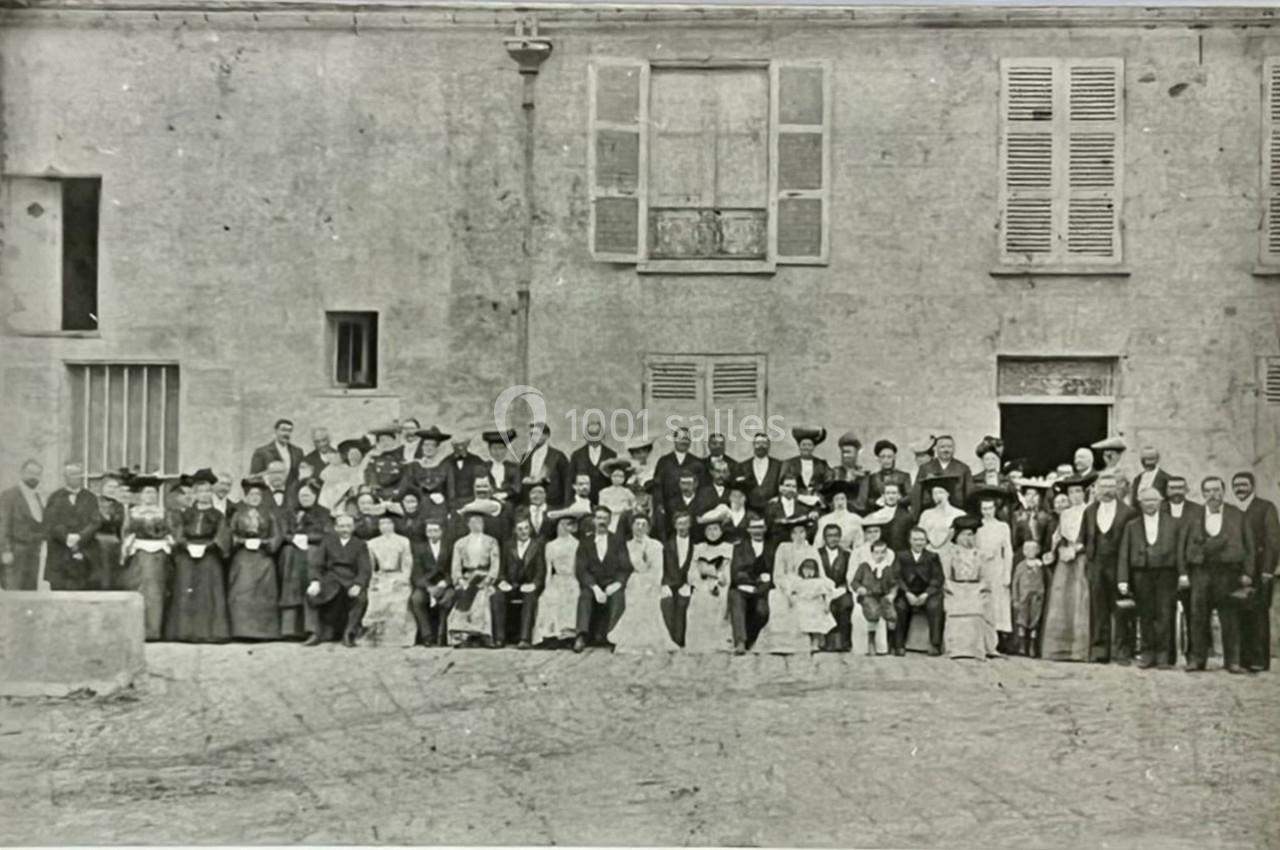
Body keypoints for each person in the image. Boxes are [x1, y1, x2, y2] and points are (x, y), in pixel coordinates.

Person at [1186, 476, 1255, 673]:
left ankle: (1232, 661)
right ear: (1203, 494)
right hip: (1201, 573)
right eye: (1208, 491)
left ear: (1223, 492)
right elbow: (1184, 545)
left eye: (1216, 490)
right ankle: (1197, 660)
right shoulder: (1194, 515)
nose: (1212, 495)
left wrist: (1248, 572)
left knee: (1230, 618)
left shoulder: (1237, 515)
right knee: (1198, 617)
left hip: (1228, 573)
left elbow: (1249, 546)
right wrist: (1186, 571)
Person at [1117, 487, 1183, 669]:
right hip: (1141, 574)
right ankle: (1147, 654)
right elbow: (1124, 553)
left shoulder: (1174, 524)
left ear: (1160, 502)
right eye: (1146, 501)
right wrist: (1123, 579)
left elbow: (1180, 552)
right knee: (1145, 615)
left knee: (1164, 614)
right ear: (1140, 503)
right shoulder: (1132, 526)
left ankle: (1163, 656)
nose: (1150, 504)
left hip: (1166, 574)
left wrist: (1182, 574)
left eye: (1154, 500)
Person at [165, 469, 231, 643]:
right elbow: (178, 533)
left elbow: (222, 536)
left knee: (207, 592)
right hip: (187, 555)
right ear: (194, 493)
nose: (204, 495)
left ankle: (209, 632)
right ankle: (185, 632)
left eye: (208, 491)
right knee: (186, 589)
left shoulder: (218, 515)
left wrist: (209, 546)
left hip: (209, 556)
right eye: (200, 491)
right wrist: (186, 545)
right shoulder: (185, 514)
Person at [1081, 470, 1136, 664]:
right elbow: (1084, 537)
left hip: (1118, 564)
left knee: (1121, 609)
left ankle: (1122, 652)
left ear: (1117, 488)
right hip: (1096, 564)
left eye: (1111, 486)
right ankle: (1099, 651)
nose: (1107, 491)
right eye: (1103, 487)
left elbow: (1132, 542)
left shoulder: (1128, 512)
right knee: (1098, 609)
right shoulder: (1089, 511)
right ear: (1096, 489)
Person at [1041, 474, 1093, 662]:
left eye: (1078, 491)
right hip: (1065, 560)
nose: (1075, 495)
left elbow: (1093, 538)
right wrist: (1054, 551)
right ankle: (1058, 649)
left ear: (1084, 493)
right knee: (1062, 599)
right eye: (1071, 492)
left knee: (1080, 599)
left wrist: (1077, 549)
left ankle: (1079, 650)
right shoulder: (1065, 514)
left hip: (1082, 560)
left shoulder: (1090, 511)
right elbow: (1057, 537)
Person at [1233, 471, 1279, 672]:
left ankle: (1259, 660)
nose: (1240, 489)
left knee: (1259, 613)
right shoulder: (1233, 509)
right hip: (1238, 569)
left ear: (1252, 486)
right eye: (1236, 485)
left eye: (1243, 485)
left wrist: (1268, 569)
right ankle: (1244, 658)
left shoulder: (1265, 507)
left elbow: (1273, 541)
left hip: (1260, 569)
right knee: (1241, 612)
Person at [226, 478, 283, 640]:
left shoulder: (269, 513)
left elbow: (276, 534)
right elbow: (231, 533)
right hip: (243, 557)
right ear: (246, 496)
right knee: (242, 589)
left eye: (258, 494)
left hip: (263, 557)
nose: (255, 497)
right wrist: (242, 541)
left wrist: (265, 543)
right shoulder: (238, 513)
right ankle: (241, 631)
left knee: (265, 591)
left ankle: (264, 631)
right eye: (252, 494)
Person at [304, 513, 372, 647]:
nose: (345, 529)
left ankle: (349, 633)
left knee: (361, 598)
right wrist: (315, 581)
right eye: (341, 526)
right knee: (310, 595)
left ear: (353, 527)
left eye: (348, 526)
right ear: (335, 528)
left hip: (350, 580)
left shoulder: (360, 544)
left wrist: (358, 584)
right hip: (331, 580)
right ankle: (315, 633)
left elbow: (365, 569)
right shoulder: (327, 542)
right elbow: (316, 564)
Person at [119, 474, 173, 640]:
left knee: (156, 592)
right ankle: (137, 630)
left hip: (158, 556)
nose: (150, 496)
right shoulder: (133, 512)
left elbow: (170, 532)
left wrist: (168, 540)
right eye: (147, 493)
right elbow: (125, 532)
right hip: (139, 555)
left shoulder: (163, 513)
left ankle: (154, 631)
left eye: (153, 493)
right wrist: (128, 544)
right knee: (138, 589)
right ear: (141, 495)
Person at [752, 515, 816, 655]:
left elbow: (817, 572)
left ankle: (802, 642)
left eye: (802, 532)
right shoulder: (783, 548)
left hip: (805, 586)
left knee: (804, 600)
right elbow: (778, 573)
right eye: (795, 532)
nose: (798, 536)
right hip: (785, 585)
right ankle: (778, 643)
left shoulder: (811, 549)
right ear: (790, 535)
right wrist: (787, 588)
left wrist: (803, 585)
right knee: (777, 599)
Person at [277, 482, 332, 639]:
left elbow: (327, 535)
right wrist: (294, 538)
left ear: (315, 496)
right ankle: (290, 630)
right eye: (301, 496)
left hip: (314, 552)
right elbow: (283, 533)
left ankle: (312, 629)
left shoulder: (324, 513)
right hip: (292, 554)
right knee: (291, 583)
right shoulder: (291, 513)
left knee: (310, 583)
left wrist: (307, 538)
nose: (304, 498)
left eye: (307, 495)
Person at [573, 505, 632, 651]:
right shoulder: (585, 542)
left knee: (618, 596)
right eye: (599, 518)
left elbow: (625, 567)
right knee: (585, 596)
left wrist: (617, 584)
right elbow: (581, 569)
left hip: (612, 582)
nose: (602, 521)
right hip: (593, 583)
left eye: (605, 518)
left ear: (610, 520)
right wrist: (595, 588)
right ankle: (581, 636)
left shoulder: (618, 541)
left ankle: (613, 636)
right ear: (593, 520)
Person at [940, 514, 999, 660]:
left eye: (971, 535)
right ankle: (955, 648)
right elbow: (946, 577)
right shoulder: (950, 553)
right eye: (965, 535)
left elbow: (985, 578)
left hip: (975, 589)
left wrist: (978, 589)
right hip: (955, 589)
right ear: (957, 536)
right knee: (956, 607)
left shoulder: (980, 554)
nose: (969, 539)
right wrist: (955, 589)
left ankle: (979, 649)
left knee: (980, 607)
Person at [611, 514, 670, 653]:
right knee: (633, 602)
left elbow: (658, 569)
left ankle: (650, 642)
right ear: (631, 526)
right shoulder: (626, 545)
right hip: (634, 580)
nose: (640, 527)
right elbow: (624, 567)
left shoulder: (656, 545)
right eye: (637, 524)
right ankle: (631, 642)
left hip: (652, 581)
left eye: (644, 524)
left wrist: (653, 584)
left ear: (649, 528)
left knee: (649, 603)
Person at [448, 502, 503, 646]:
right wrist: (459, 580)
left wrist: (489, 579)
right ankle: (464, 636)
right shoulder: (460, 543)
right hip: (467, 578)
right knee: (465, 595)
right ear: (468, 524)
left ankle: (483, 634)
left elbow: (495, 563)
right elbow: (456, 566)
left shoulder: (491, 541)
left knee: (482, 598)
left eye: (480, 521)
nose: (477, 524)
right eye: (474, 521)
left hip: (484, 578)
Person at [1163, 475, 1204, 663]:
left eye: (1180, 487)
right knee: (1165, 613)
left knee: (1194, 613)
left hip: (1190, 571)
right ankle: (1167, 655)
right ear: (1167, 491)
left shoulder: (1197, 511)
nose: (1176, 491)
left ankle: (1194, 654)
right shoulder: (1158, 509)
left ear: (1186, 489)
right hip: (1164, 570)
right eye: (1172, 488)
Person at [43, 462, 101, 591]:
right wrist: (66, 537)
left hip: (85, 552)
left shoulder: (90, 497)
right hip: (60, 553)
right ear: (65, 477)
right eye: (72, 474)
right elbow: (51, 522)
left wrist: (80, 536)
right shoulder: (54, 497)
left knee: (84, 592)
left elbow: (95, 521)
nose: (76, 477)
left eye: (78, 474)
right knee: (59, 592)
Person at [491, 516, 546, 648]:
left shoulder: (537, 546)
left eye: (526, 528)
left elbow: (541, 571)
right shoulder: (508, 545)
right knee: (497, 596)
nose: (523, 532)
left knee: (530, 597)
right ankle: (499, 638)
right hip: (512, 584)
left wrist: (534, 584)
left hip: (529, 585)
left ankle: (525, 638)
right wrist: (503, 581)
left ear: (531, 530)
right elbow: (502, 569)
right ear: (515, 530)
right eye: (520, 529)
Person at [538, 505, 589, 646]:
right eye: (561, 524)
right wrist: (546, 586)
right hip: (557, 579)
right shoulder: (550, 545)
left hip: (573, 578)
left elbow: (580, 567)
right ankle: (551, 635)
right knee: (548, 597)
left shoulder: (577, 544)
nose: (563, 527)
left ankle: (568, 635)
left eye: (568, 524)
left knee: (571, 597)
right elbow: (548, 568)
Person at [972, 488, 1015, 653]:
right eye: (984, 509)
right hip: (983, 568)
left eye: (990, 508)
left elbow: (1008, 551)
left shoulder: (1003, 526)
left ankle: (999, 640)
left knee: (999, 603)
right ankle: (983, 639)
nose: (987, 512)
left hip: (998, 567)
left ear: (995, 509)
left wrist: (1007, 573)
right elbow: (975, 548)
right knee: (984, 601)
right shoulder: (977, 527)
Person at [685, 512, 734, 653]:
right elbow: (692, 572)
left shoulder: (728, 548)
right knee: (700, 599)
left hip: (721, 584)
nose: (712, 533)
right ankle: (700, 642)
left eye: (715, 529)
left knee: (721, 599)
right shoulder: (699, 548)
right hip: (702, 584)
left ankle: (720, 641)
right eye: (709, 530)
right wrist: (701, 583)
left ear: (721, 531)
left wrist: (718, 579)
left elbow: (727, 573)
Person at [893, 527, 945, 656]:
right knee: (901, 607)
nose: (919, 543)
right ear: (909, 541)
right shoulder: (901, 556)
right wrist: (907, 593)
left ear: (926, 541)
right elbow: (896, 576)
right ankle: (899, 645)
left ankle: (935, 644)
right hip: (907, 592)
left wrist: (926, 594)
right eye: (915, 539)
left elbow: (938, 578)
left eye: (922, 540)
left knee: (935, 606)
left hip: (927, 592)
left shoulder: (933, 557)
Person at [730, 514, 774, 654]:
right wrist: (755, 581)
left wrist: (762, 585)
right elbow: (736, 573)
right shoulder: (739, 548)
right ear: (748, 530)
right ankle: (740, 642)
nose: (757, 531)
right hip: (743, 587)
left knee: (762, 612)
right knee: (736, 598)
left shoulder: (771, 548)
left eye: (760, 527)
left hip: (763, 590)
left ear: (765, 529)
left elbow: (774, 571)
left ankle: (751, 639)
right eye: (754, 528)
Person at [408, 517, 453, 646]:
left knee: (447, 600)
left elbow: (453, 568)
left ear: (442, 532)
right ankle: (426, 636)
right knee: (417, 599)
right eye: (429, 531)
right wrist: (428, 587)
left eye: (435, 531)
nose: (432, 534)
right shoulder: (419, 549)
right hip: (426, 585)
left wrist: (445, 583)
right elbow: (416, 573)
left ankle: (442, 636)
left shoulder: (449, 547)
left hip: (445, 583)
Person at [852, 536, 899, 656]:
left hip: (882, 596)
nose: (880, 555)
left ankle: (890, 643)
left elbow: (893, 584)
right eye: (877, 552)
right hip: (868, 595)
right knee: (873, 613)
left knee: (892, 614)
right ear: (872, 553)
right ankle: (871, 641)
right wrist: (859, 588)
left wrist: (891, 595)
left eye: (883, 552)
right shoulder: (864, 566)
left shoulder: (887, 569)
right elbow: (855, 582)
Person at [911, 435, 974, 519]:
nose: (946, 450)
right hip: (931, 515)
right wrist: (915, 517)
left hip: (956, 515)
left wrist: (969, 517)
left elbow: (970, 495)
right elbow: (917, 495)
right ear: (936, 449)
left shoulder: (963, 469)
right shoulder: (925, 468)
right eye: (942, 447)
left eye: (949, 447)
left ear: (954, 449)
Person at [815, 522, 854, 651]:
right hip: (822, 590)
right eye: (829, 535)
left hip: (840, 589)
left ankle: (843, 642)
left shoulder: (847, 555)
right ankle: (826, 642)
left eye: (836, 535)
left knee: (845, 603)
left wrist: (842, 588)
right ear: (824, 538)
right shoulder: (817, 554)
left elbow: (850, 574)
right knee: (822, 605)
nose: (833, 539)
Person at [660, 510, 696, 647]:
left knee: (683, 602)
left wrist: (689, 583)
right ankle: (669, 640)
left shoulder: (695, 544)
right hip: (669, 582)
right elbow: (661, 566)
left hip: (687, 583)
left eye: (685, 523)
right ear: (675, 525)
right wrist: (664, 584)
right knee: (666, 602)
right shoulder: (666, 545)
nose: (682, 527)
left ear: (690, 525)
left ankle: (679, 639)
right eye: (679, 524)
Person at [654, 427, 705, 517]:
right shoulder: (664, 461)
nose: (684, 442)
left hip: (690, 508)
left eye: (686, 439)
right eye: (681, 438)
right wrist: (659, 504)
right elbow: (657, 486)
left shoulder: (697, 463)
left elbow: (702, 487)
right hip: (667, 508)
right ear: (674, 440)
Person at [520, 421, 572, 509]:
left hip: (553, 503)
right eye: (531, 434)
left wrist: (566, 504)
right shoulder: (526, 456)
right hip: (530, 504)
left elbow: (567, 482)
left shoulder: (558, 456)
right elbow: (521, 478)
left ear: (546, 435)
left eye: (536, 434)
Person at [567, 417, 617, 503]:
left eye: (596, 434)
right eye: (591, 434)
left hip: (604, 500)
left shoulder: (611, 454)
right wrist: (569, 502)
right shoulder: (577, 455)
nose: (594, 438)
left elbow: (614, 480)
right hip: (582, 500)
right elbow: (570, 481)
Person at [1011, 539, 1047, 657]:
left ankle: (1032, 646)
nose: (1029, 551)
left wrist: (1041, 594)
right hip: (1023, 598)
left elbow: (1044, 581)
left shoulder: (1040, 566)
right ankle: (1022, 645)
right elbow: (1015, 582)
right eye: (1027, 549)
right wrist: (1015, 598)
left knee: (1035, 620)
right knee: (1022, 620)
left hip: (1036, 597)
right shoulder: (1021, 566)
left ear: (1037, 550)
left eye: (1033, 549)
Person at [94, 469, 128, 590]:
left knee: (115, 579)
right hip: (96, 545)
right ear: (102, 488)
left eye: (115, 487)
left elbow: (121, 529)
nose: (112, 490)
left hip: (114, 546)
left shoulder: (119, 506)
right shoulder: (93, 503)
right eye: (109, 487)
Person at [792, 558, 836, 651]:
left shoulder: (819, 582)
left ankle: (816, 642)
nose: (808, 573)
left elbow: (828, 593)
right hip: (803, 605)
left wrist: (827, 605)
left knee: (817, 622)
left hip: (816, 604)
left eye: (811, 570)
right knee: (803, 622)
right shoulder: (799, 582)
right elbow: (793, 592)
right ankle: (806, 642)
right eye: (806, 570)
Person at [250, 418, 305, 487]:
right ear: (276, 431)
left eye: (289, 431)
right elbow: (253, 478)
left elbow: (302, 475)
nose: (286, 434)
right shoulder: (261, 452)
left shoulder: (298, 452)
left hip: (292, 495)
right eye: (283, 430)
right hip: (269, 493)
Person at [780, 426, 831, 497]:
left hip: (816, 502)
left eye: (809, 445)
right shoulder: (789, 463)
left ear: (813, 447)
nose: (806, 448)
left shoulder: (822, 464)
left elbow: (829, 483)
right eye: (804, 445)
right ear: (799, 446)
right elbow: (781, 485)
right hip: (794, 501)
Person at [917, 477, 965, 551]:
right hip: (930, 552)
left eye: (941, 492)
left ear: (948, 494)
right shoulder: (926, 514)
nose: (938, 496)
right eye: (934, 493)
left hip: (951, 552)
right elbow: (919, 535)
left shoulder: (959, 514)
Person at [1011, 477, 1055, 558]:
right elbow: (1014, 541)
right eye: (1028, 494)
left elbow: (1048, 543)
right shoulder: (1017, 516)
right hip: (1020, 556)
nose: (1031, 498)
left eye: (1035, 495)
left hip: (1040, 556)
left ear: (1040, 498)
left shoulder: (1046, 517)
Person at [742, 432, 784, 515]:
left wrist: (778, 499)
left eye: (764, 443)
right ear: (753, 445)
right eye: (757, 443)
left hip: (773, 510)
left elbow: (784, 485)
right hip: (749, 511)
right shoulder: (743, 466)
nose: (761, 446)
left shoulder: (779, 465)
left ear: (769, 446)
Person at [827, 431, 869, 512]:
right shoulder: (833, 473)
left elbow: (862, 503)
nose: (845, 456)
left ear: (856, 453)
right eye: (843, 452)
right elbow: (827, 498)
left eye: (849, 452)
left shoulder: (863, 476)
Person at [866, 440, 913, 512]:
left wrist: (897, 500)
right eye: (883, 457)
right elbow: (868, 499)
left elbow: (910, 497)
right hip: (879, 513)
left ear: (894, 458)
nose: (886, 460)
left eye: (889, 457)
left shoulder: (904, 476)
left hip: (900, 513)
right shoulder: (873, 478)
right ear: (878, 459)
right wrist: (876, 502)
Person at [817, 480, 864, 551]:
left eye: (842, 499)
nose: (840, 503)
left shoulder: (856, 519)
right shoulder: (824, 520)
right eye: (837, 499)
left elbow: (859, 544)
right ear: (833, 502)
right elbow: (818, 543)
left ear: (846, 500)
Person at [365, 426, 407, 503]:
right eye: (382, 440)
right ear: (378, 443)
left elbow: (405, 477)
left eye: (388, 440)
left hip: (397, 494)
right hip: (378, 495)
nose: (385, 443)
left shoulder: (401, 458)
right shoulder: (374, 459)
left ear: (394, 441)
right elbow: (370, 475)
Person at [598, 459, 637, 534]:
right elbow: (601, 507)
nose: (617, 478)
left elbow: (634, 504)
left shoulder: (627, 492)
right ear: (610, 477)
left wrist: (627, 509)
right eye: (615, 476)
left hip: (623, 519)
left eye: (621, 476)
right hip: (609, 518)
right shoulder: (604, 492)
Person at [482, 429, 521, 502]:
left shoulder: (514, 467)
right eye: (494, 448)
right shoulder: (484, 467)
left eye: (501, 448)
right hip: (488, 500)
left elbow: (517, 488)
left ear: (506, 450)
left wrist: (505, 494)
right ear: (489, 450)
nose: (498, 452)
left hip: (509, 501)